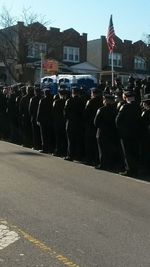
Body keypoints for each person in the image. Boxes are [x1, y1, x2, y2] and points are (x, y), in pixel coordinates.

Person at [116, 89, 142, 177]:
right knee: (135, 151)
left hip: (126, 133)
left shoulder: (125, 107)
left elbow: (118, 120)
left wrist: (121, 130)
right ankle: (136, 170)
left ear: (126, 97)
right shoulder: (138, 107)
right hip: (136, 133)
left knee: (127, 152)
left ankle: (129, 170)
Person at [94, 93, 120, 171]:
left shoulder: (101, 109)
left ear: (105, 101)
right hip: (112, 132)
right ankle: (111, 165)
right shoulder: (116, 110)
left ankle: (103, 164)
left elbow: (96, 122)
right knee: (111, 149)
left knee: (102, 150)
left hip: (102, 132)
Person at [64, 86, 85, 161]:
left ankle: (70, 155)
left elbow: (65, 113)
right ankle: (79, 156)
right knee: (78, 140)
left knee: (71, 141)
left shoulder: (69, 101)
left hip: (70, 123)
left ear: (72, 93)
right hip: (79, 123)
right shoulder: (82, 101)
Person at [83, 87, 103, 166]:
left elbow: (85, 114)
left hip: (90, 125)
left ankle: (89, 159)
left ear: (93, 93)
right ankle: (97, 159)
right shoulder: (102, 101)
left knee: (89, 143)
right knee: (97, 144)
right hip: (99, 125)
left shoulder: (90, 101)